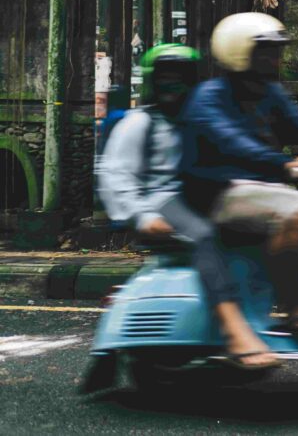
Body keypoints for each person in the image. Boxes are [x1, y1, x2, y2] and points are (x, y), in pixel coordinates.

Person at [97, 44, 279, 371]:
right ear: (153, 82)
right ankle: (235, 330)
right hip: (159, 202)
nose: (172, 86)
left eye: (179, 78)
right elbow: (116, 175)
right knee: (205, 236)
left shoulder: (196, 121)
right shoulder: (140, 123)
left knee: (267, 226)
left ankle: (268, 318)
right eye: (165, 78)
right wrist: (142, 216)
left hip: (194, 198)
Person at [179, 12, 298, 330]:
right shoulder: (208, 98)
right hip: (220, 194)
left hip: (265, 190)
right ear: (240, 52)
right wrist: (286, 164)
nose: (275, 59)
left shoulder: (269, 92)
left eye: (276, 51)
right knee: (291, 213)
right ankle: (295, 306)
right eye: (266, 51)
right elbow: (233, 143)